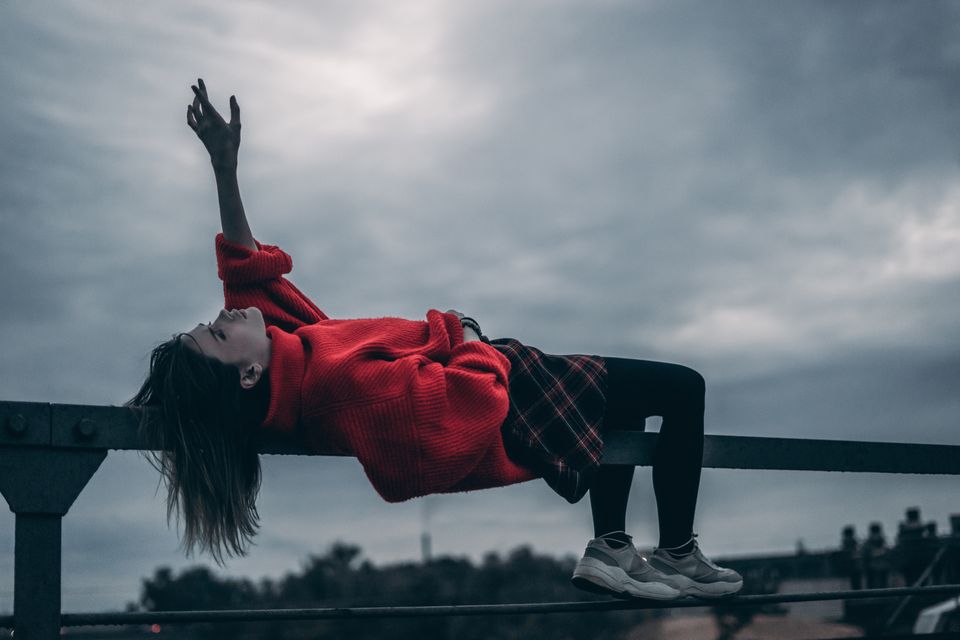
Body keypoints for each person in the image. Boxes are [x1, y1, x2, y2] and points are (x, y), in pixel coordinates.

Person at [127, 78, 743, 601]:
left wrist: (224, 168)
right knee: (683, 389)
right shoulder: (338, 385)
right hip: (514, 392)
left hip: (509, 376)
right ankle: (677, 553)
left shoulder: (293, 359)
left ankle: (612, 547)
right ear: (247, 374)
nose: (226, 313)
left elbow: (245, 272)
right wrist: (466, 335)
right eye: (218, 331)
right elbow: (469, 405)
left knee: (619, 401)